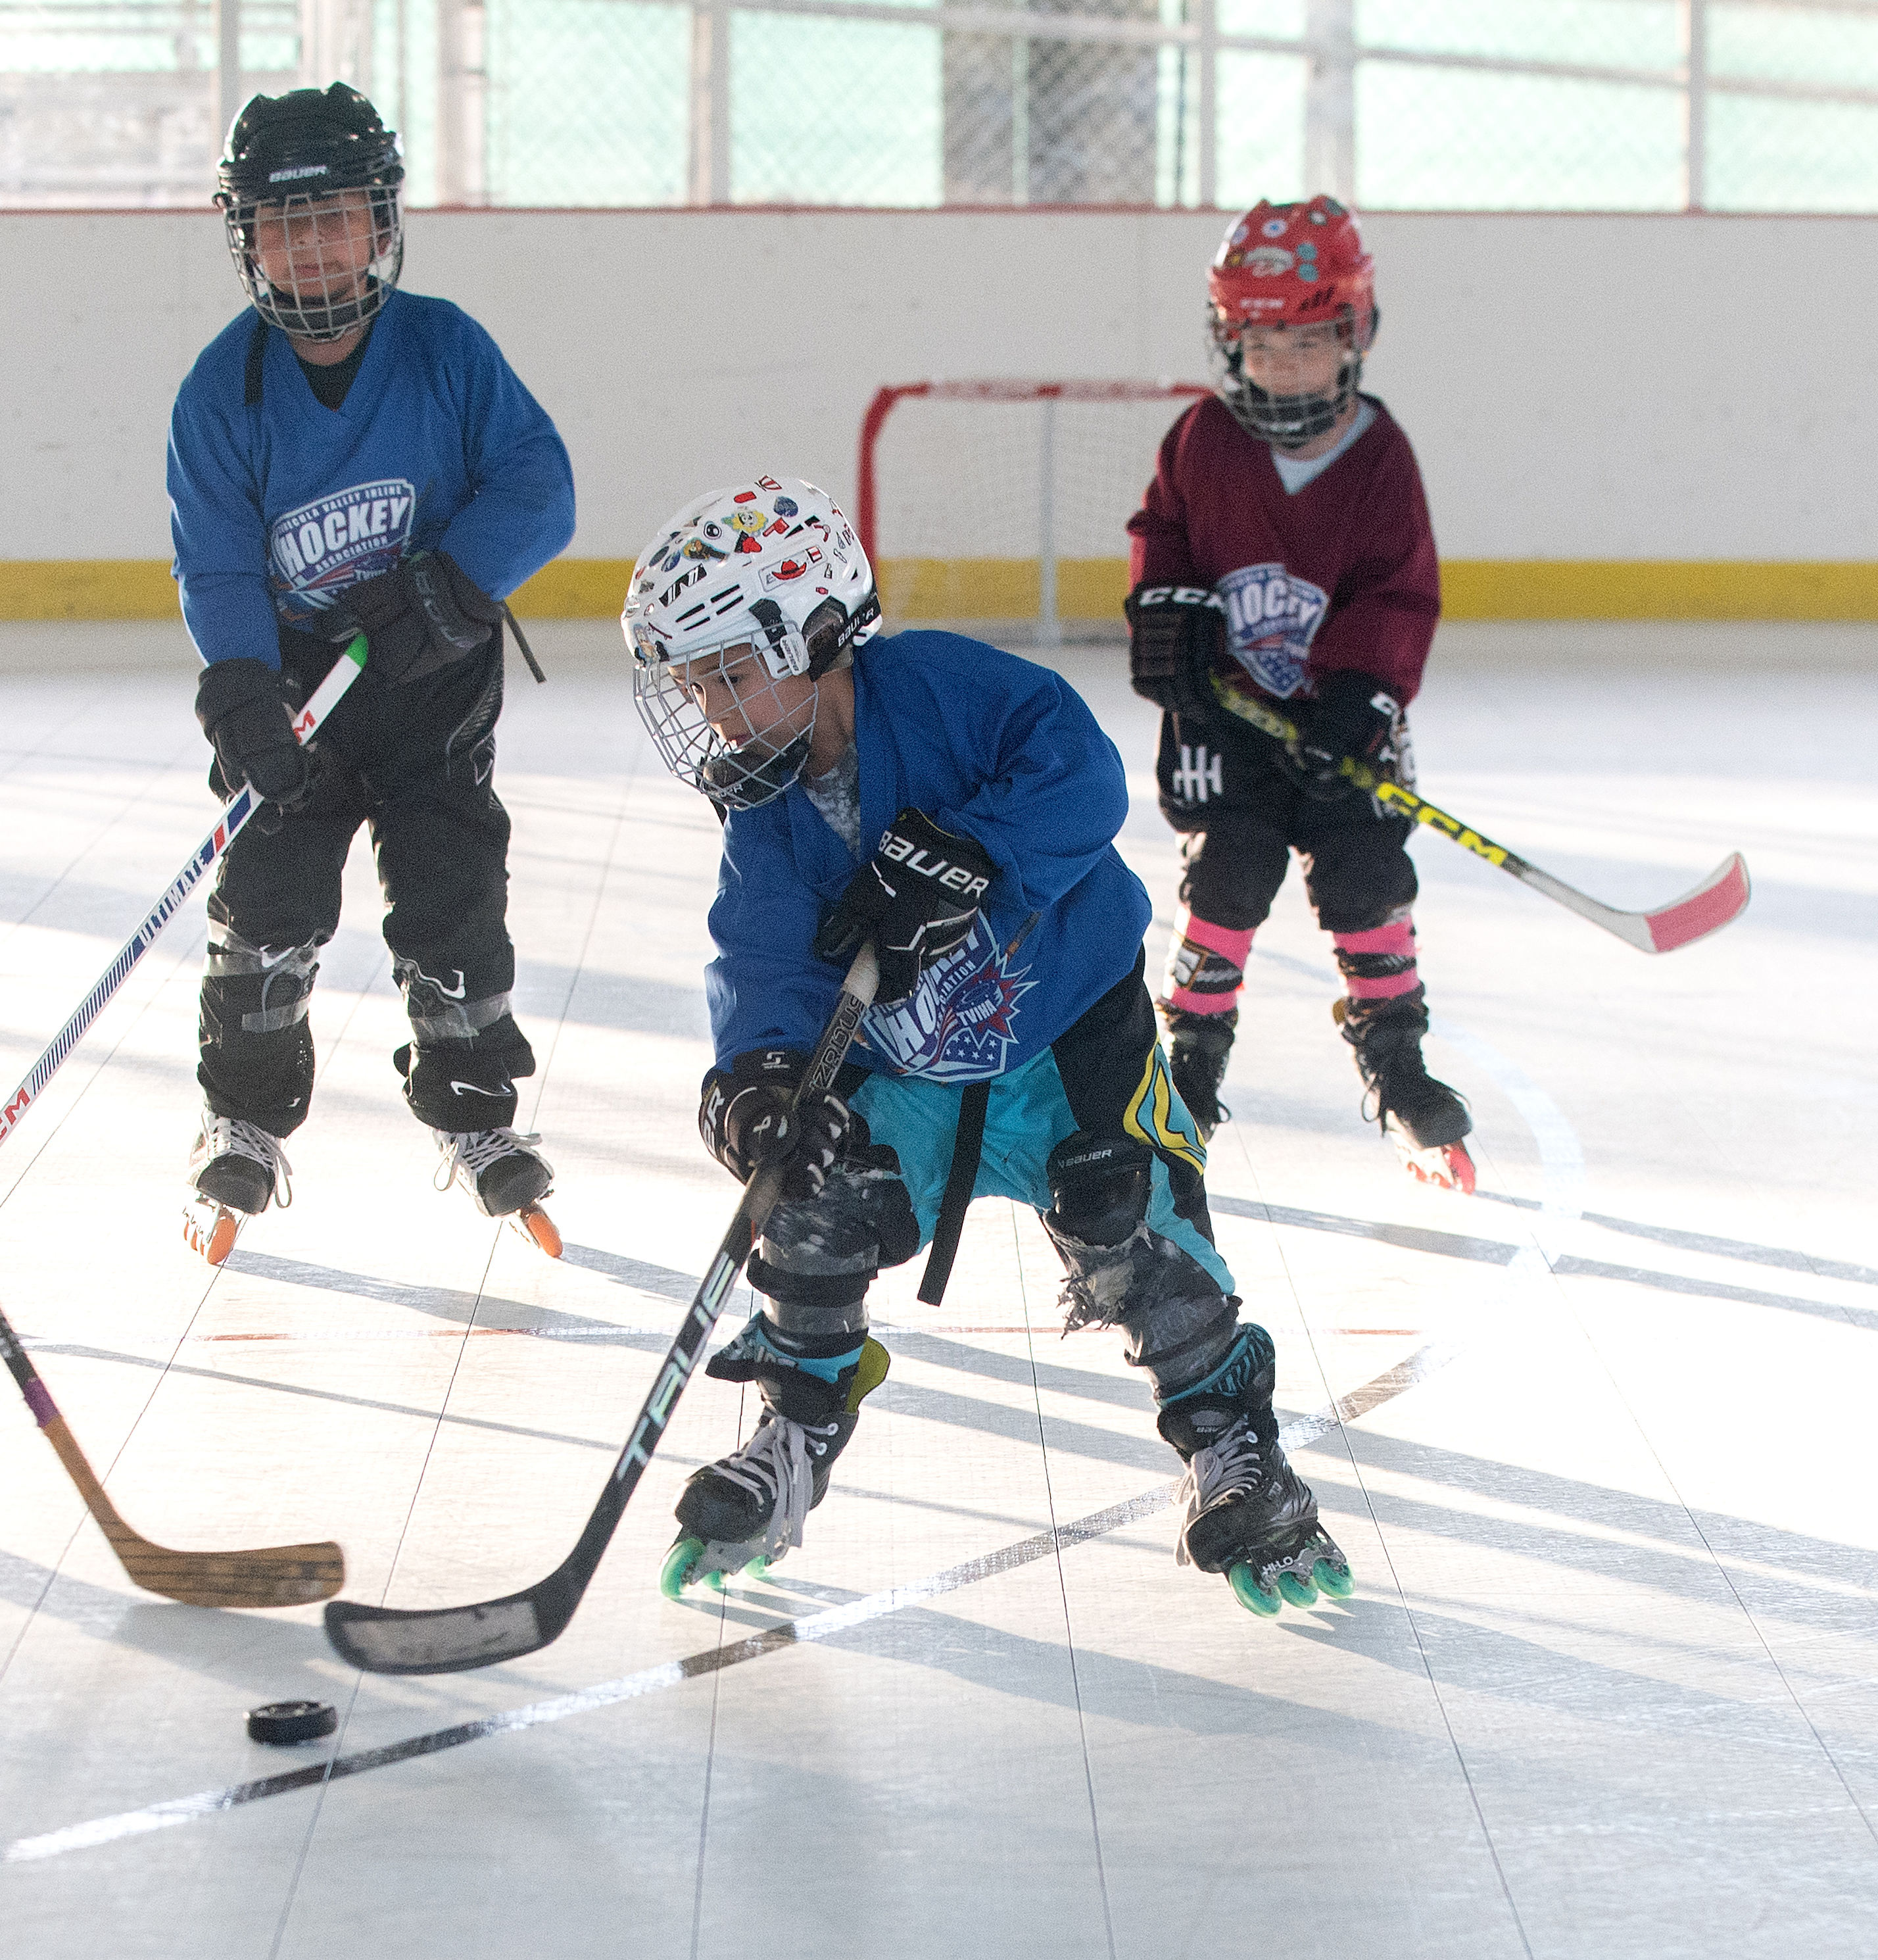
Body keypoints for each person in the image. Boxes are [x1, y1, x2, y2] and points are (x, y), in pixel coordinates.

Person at [623, 478, 1348, 1617]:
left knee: (1127, 1217)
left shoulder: (949, 689)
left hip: (1066, 1041)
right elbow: (762, 956)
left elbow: (1084, 776)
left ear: (813, 635)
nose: (711, 710)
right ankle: (799, 1428)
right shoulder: (764, 805)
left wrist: (971, 851)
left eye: (728, 674)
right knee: (811, 1189)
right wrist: (758, 1083)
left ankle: (1236, 1448)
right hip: (910, 1072)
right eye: (694, 683)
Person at [165, 82, 577, 1263]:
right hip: (300, 683)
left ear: (379, 222)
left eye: (332, 216)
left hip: (435, 675)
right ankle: (240, 1115)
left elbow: (537, 484)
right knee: (271, 893)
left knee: (454, 888)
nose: (310, 246)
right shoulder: (221, 391)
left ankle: (476, 1111)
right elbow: (218, 558)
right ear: (247, 239)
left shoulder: (446, 348)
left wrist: (453, 585)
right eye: (283, 225)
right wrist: (241, 687)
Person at [1125, 195, 1473, 1192]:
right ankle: (1188, 1069)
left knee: (1365, 875)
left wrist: (1362, 694)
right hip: (1230, 718)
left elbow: (1400, 586)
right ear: (1230, 341)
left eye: (1308, 343)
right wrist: (1169, 621)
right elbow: (1165, 537)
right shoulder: (1201, 439)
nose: (1285, 365)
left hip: (1339, 719)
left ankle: (1397, 1067)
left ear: (1352, 333)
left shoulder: (1380, 456)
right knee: (1228, 878)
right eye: (1262, 344)